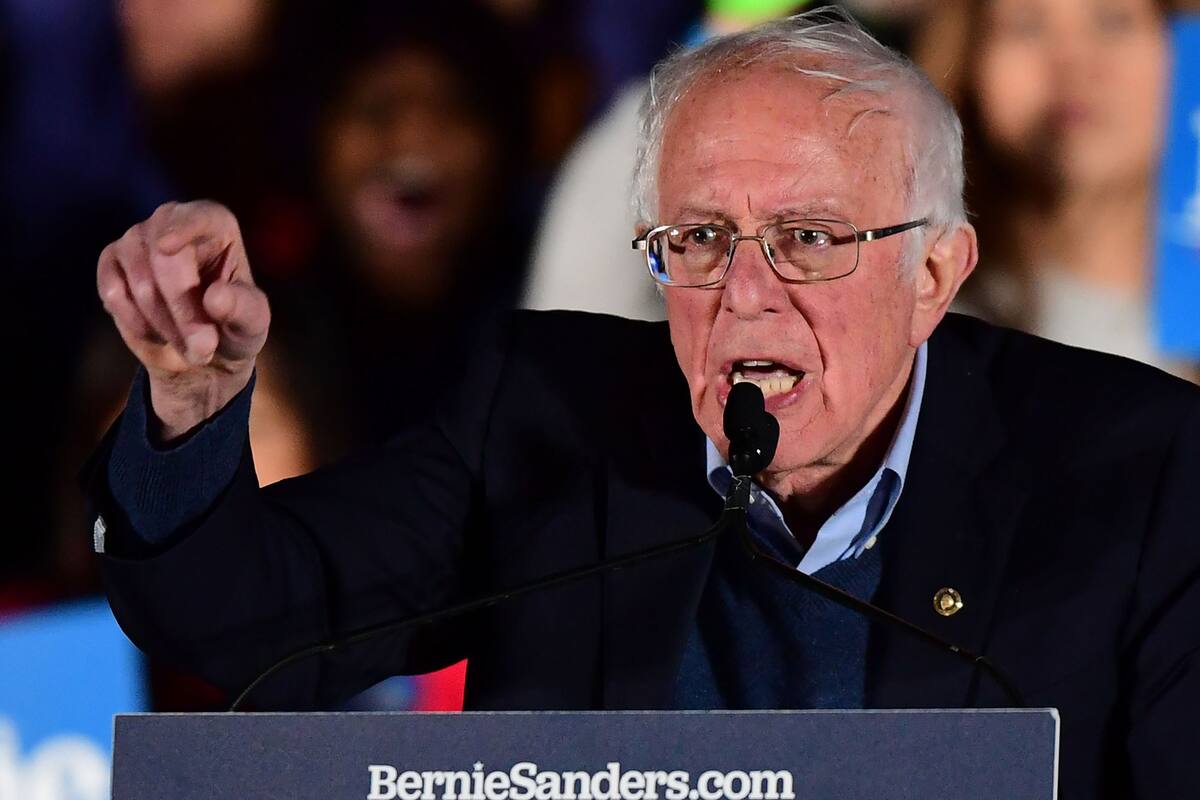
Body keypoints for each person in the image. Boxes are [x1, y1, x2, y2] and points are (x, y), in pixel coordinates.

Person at [84, 10, 1199, 799]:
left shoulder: (1146, 471)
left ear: (936, 275)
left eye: (807, 239)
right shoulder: (549, 413)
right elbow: (240, 619)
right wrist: (190, 399)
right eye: (699, 241)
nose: (744, 295)